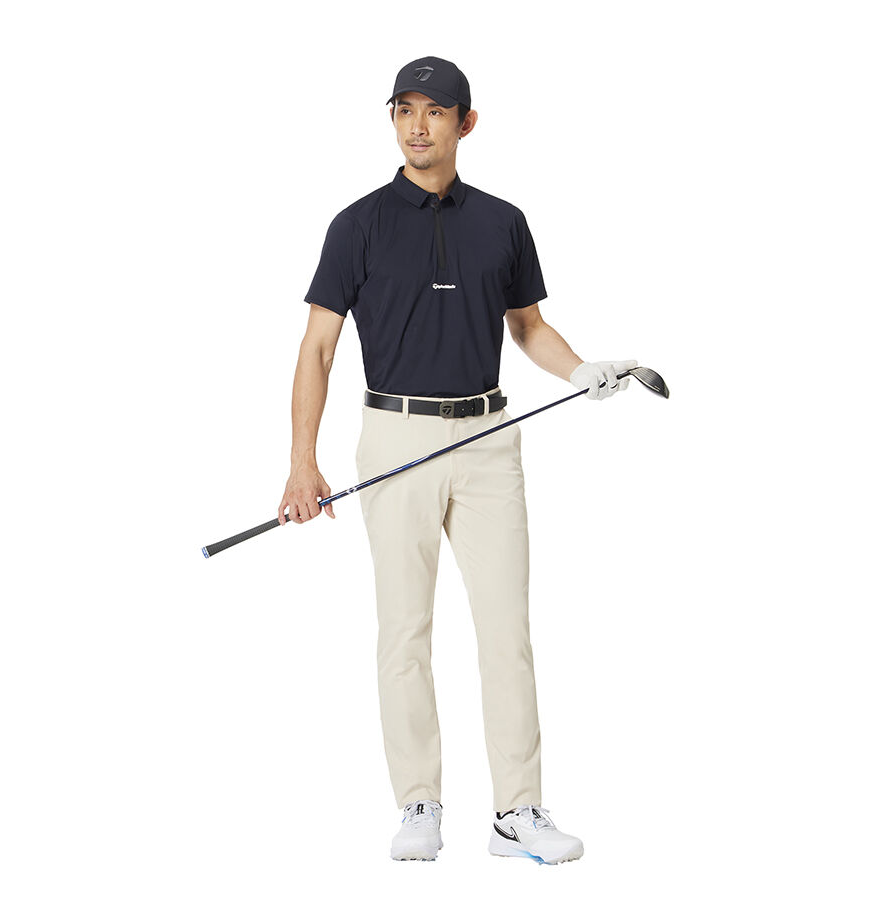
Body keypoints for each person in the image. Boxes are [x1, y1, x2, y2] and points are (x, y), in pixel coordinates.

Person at [278, 56, 636, 865]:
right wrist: (303, 462)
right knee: (405, 629)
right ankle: (419, 801)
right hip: (394, 436)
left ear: (465, 123)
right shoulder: (358, 224)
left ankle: (518, 813)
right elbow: (318, 347)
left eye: (436, 111)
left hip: (487, 439)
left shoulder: (503, 222)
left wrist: (580, 370)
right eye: (404, 109)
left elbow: (528, 326)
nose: (417, 125)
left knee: (507, 628)